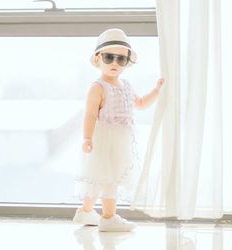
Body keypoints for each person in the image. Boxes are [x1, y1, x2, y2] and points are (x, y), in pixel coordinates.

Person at [73, 28, 164, 232]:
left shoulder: (126, 86)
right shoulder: (98, 87)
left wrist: (157, 91)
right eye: (109, 57)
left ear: (127, 62)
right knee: (108, 179)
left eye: (120, 59)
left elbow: (140, 103)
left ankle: (85, 211)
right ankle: (108, 217)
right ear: (98, 59)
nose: (115, 63)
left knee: (101, 178)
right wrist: (87, 137)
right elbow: (89, 115)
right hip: (105, 140)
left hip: (121, 141)